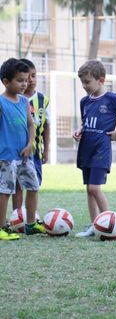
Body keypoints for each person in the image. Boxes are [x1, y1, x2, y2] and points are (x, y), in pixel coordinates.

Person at [72, 60, 116, 237]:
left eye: (87, 82)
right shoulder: (84, 101)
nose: (84, 86)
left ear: (101, 80)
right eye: (82, 82)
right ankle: (95, 226)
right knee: (89, 188)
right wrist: (80, 130)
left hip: (101, 150)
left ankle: (110, 224)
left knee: (95, 188)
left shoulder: (112, 99)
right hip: (86, 148)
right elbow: (86, 122)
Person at [0, 58, 43, 240]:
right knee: (5, 191)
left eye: (26, 80)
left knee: (33, 187)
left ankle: (31, 224)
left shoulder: (25, 102)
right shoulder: (1, 102)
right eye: (20, 80)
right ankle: (2, 227)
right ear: (6, 81)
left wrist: (29, 145)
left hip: (25, 156)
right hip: (6, 157)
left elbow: (31, 125)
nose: (25, 84)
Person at [12, 58, 50, 212]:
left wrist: (46, 150)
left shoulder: (43, 100)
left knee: (34, 185)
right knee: (17, 185)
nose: (31, 80)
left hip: (35, 152)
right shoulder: (14, 99)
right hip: (16, 151)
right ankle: (17, 216)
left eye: (34, 76)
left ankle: (31, 216)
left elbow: (46, 125)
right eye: (26, 78)